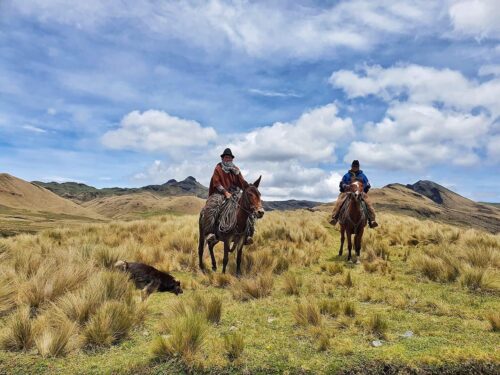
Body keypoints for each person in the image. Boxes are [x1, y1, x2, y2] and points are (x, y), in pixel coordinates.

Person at [204, 148, 254, 244]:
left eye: (230, 158)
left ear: (232, 159)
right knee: (212, 206)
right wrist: (225, 192)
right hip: (220, 193)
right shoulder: (218, 168)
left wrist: (248, 188)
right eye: (226, 157)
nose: (228, 159)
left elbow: (242, 182)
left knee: (247, 207)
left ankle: (247, 234)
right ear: (223, 158)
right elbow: (216, 183)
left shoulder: (236, 170)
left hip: (234, 193)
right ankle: (209, 232)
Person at [330, 160, 378, 228]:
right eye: (354, 166)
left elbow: (367, 184)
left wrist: (363, 188)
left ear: (358, 167)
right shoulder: (347, 175)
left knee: (369, 204)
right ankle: (334, 218)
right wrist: (345, 186)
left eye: (356, 166)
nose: (355, 167)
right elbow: (342, 183)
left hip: (360, 193)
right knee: (339, 202)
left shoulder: (363, 176)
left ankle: (372, 220)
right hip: (348, 193)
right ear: (351, 166)